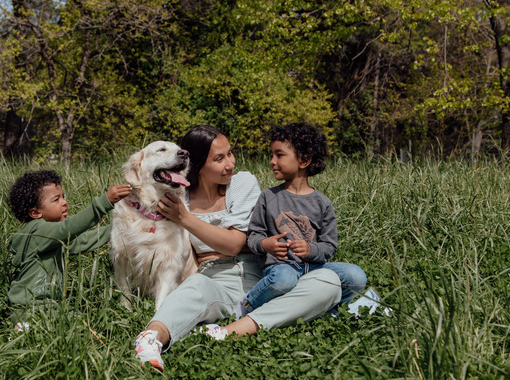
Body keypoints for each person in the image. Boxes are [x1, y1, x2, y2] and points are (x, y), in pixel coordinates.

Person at [133, 125, 342, 372]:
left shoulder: (242, 183)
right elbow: (139, 223)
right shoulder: (179, 196)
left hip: (265, 276)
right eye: (219, 159)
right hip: (215, 278)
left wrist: (185, 219)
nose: (230, 164)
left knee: (328, 281)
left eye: (230, 153)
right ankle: (151, 339)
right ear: (198, 164)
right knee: (195, 286)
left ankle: (231, 331)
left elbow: (235, 244)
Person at [236, 122, 367, 318]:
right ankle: (246, 306)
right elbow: (254, 236)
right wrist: (266, 244)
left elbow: (329, 246)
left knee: (356, 276)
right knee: (284, 280)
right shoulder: (268, 197)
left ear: (304, 160)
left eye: (279, 155)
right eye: (272, 155)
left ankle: (328, 311)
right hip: (280, 268)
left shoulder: (322, 203)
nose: (272, 161)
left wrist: (311, 250)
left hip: (314, 268)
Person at [7, 170, 131, 325]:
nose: (64, 202)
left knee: (79, 322)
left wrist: (123, 227)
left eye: (63, 196)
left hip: (51, 306)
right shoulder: (37, 230)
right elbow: (68, 227)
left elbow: (85, 241)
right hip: (28, 305)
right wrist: (103, 203)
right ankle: (21, 329)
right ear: (35, 212)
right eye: (56, 199)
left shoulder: (53, 237)